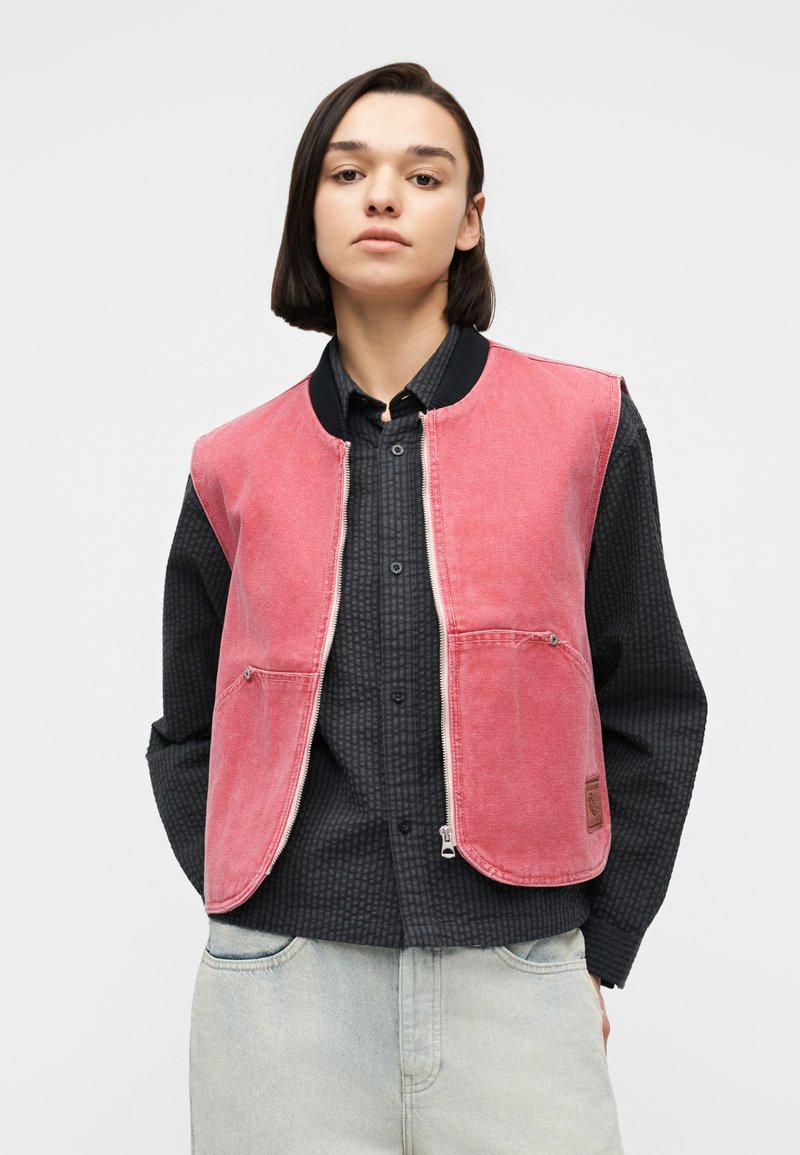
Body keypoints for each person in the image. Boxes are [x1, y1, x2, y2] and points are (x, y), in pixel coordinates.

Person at [147, 61, 708, 1154]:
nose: (382, 196)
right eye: (347, 171)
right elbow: (190, 732)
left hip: (520, 980)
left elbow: (651, 700)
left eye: (422, 173)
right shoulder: (231, 465)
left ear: (470, 219)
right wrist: (254, 910)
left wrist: (596, 948)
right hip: (278, 999)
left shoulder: (586, 425)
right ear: (309, 210)